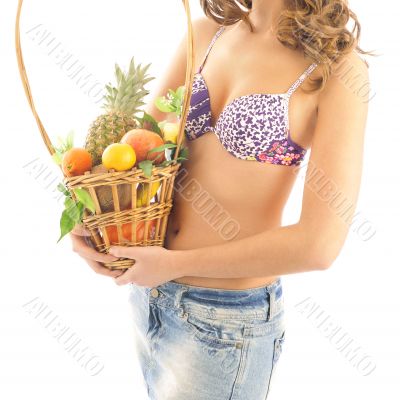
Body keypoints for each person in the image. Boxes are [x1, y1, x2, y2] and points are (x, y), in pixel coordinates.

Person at [70, 0, 372, 398]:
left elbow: (319, 245)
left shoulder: (337, 69)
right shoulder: (203, 35)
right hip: (151, 298)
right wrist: (91, 222)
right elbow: (133, 159)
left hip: (227, 320)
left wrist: (174, 264)